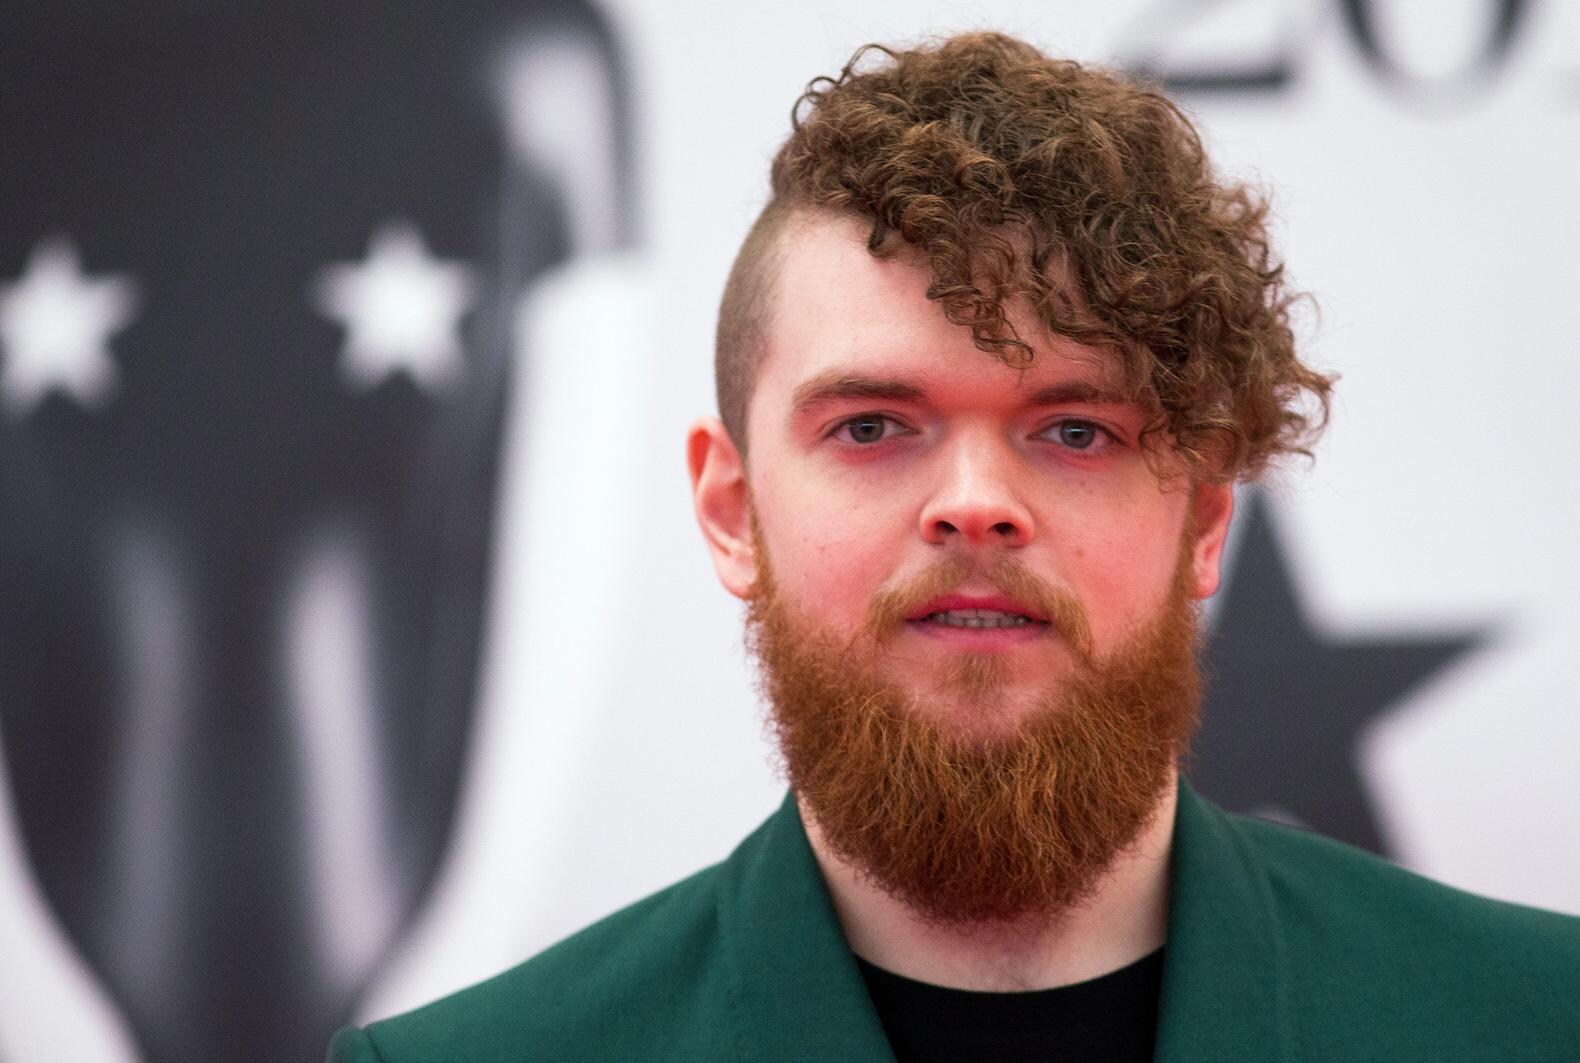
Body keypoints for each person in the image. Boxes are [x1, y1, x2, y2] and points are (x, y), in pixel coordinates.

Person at [329, 32, 1580, 1062]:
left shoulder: (1535, 1022)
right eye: (872, 426)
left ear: (1202, 519)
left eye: (1075, 430)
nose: (975, 504)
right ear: (730, 510)